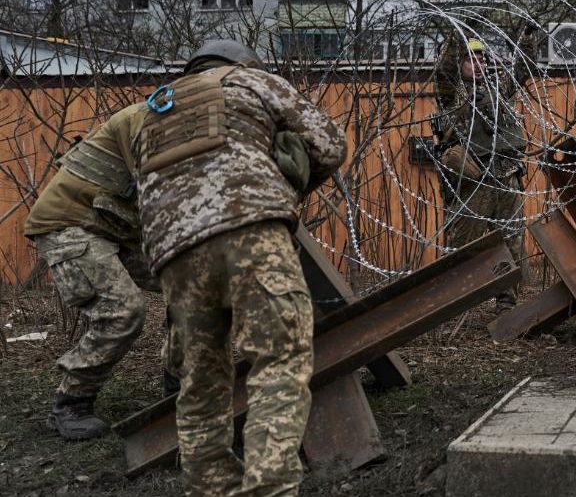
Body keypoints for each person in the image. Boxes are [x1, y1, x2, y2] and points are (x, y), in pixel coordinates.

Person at [135, 39, 346, 494]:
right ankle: (269, 488)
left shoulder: (153, 110)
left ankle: (212, 489)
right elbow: (330, 145)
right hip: (250, 229)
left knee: (200, 379)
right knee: (278, 359)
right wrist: (289, 175)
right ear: (244, 64)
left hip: (174, 252)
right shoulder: (252, 81)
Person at [23, 102, 168, 440]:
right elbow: (161, 188)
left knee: (193, 284)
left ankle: (179, 383)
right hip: (70, 223)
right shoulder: (151, 117)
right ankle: (70, 403)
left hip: (112, 226)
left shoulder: (193, 120)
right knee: (123, 310)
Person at [434, 32, 536, 312]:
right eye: (470, 58)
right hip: (475, 178)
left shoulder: (496, 89)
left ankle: (507, 304)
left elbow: (522, 68)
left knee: (511, 241)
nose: (477, 63)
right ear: (458, 62)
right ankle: (452, 305)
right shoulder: (452, 94)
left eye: (481, 57)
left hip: (506, 174)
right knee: (465, 245)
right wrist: (458, 32)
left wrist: (528, 35)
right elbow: (444, 71)